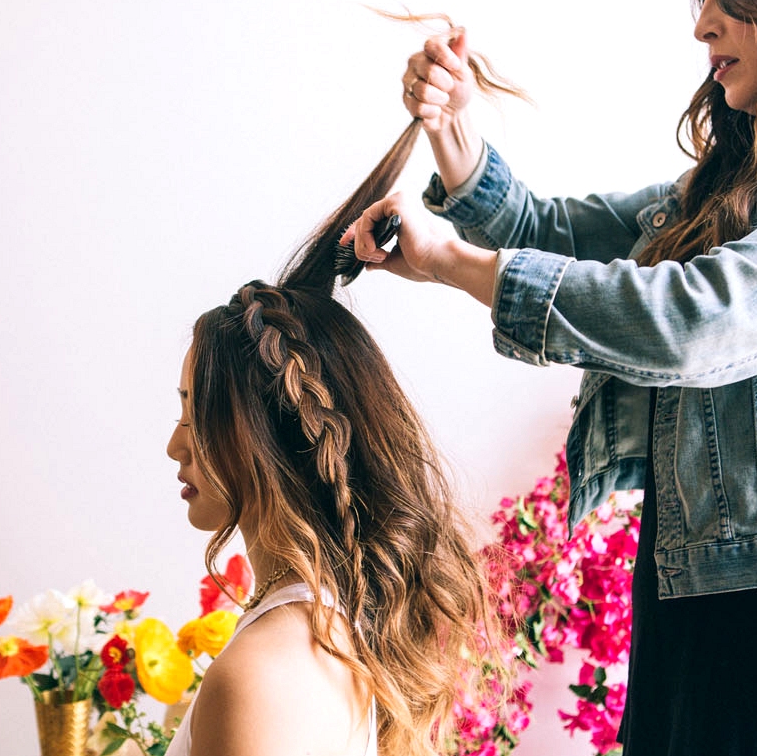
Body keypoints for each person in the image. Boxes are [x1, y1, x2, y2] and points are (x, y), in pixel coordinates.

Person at [342, 0, 757, 753]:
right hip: (690, 589)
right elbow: (544, 229)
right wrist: (452, 130)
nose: (704, 27)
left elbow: (691, 319)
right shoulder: (721, 192)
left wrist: (453, 264)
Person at [162, 118, 511, 755]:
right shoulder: (320, 629)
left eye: (193, 413)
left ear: (254, 433)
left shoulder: (264, 673)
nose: (175, 446)